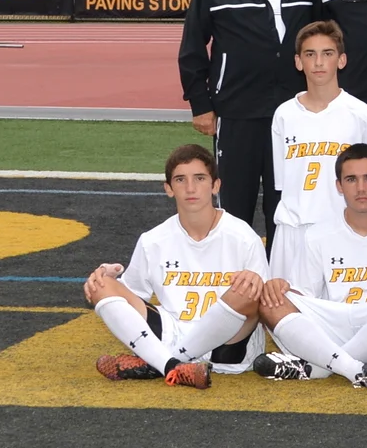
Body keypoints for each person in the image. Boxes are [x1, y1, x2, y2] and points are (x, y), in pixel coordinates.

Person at [179, 0, 313, 235]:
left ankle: (280, 279)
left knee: (286, 205)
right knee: (235, 204)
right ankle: (237, 278)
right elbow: (194, 44)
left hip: (295, 110)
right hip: (237, 110)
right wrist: (201, 103)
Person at [87, 143, 269, 387]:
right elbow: (130, 301)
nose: (190, 188)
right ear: (168, 188)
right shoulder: (153, 240)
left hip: (226, 345)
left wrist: (255, 283)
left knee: (249, 290)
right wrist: (108, 279)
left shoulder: (243, 236)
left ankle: (161, 364)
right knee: (101, 286)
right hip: (172, 332)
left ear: (215, 185)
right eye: (180, 180)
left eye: (200, 178)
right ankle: (174, 367)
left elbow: (262, 306)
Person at [254, 144, 367, 390]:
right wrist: (280, 289)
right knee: (269, 298)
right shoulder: (317, 234)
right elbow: (305, 297)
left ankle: (318, 367)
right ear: (339, 186)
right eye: (351, 179)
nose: (361, 188)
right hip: (334, 323)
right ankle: (355, 369)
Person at [267, 21, 367, 265]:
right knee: (286, 303)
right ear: (299, 62)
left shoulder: (363, 116)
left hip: (341, 230)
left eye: (327, 54)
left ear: (341, 60)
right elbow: (284, 182)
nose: (318, 62)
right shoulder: (284, 115)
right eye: (310, 54)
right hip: (292, 231)